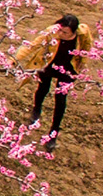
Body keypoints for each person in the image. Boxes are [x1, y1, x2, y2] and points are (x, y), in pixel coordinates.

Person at [21, 14, 90, 148]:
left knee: (60, 99)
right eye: (60, 30)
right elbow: (33, 45)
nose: (61, 34)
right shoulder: (52, 32)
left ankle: (54, 132)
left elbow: (87, 46)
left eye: (65, 32)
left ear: (73, 32)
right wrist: (13, 60)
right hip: (49, 63)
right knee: (42, 88)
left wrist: (83, 61)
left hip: (68, 68)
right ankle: (36, 110)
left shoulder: (82, 33)